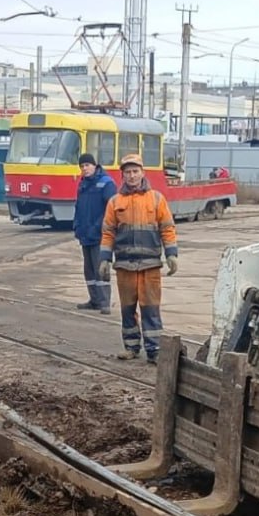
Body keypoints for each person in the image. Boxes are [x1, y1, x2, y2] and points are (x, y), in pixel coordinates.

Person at [98, 153, 178, 364]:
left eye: (135, 171)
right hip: (124, 265)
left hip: (150, 265)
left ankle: (155, 350)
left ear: (143, 173)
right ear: (122, 175)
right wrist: (104, 258)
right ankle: (131, 347)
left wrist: (172, 254)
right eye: (128, 172)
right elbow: (108, 233)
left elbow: (167, 228)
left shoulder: (157, 199)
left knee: (151, 308)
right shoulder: (115, 202)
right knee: (127, 308)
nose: (132, 176)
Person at [72, 152, 116, 314]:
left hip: (100, 235)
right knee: (89, 270)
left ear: (95, 165)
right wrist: (76, 225)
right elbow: (79, 207)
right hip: (85, 234)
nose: (85, 169)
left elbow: (111, 210)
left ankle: (105, 302)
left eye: (87, 165)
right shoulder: (83, 184)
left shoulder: (106, 183)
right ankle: (95, 300)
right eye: (82, 166)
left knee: (101, 268)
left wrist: (99, 227)